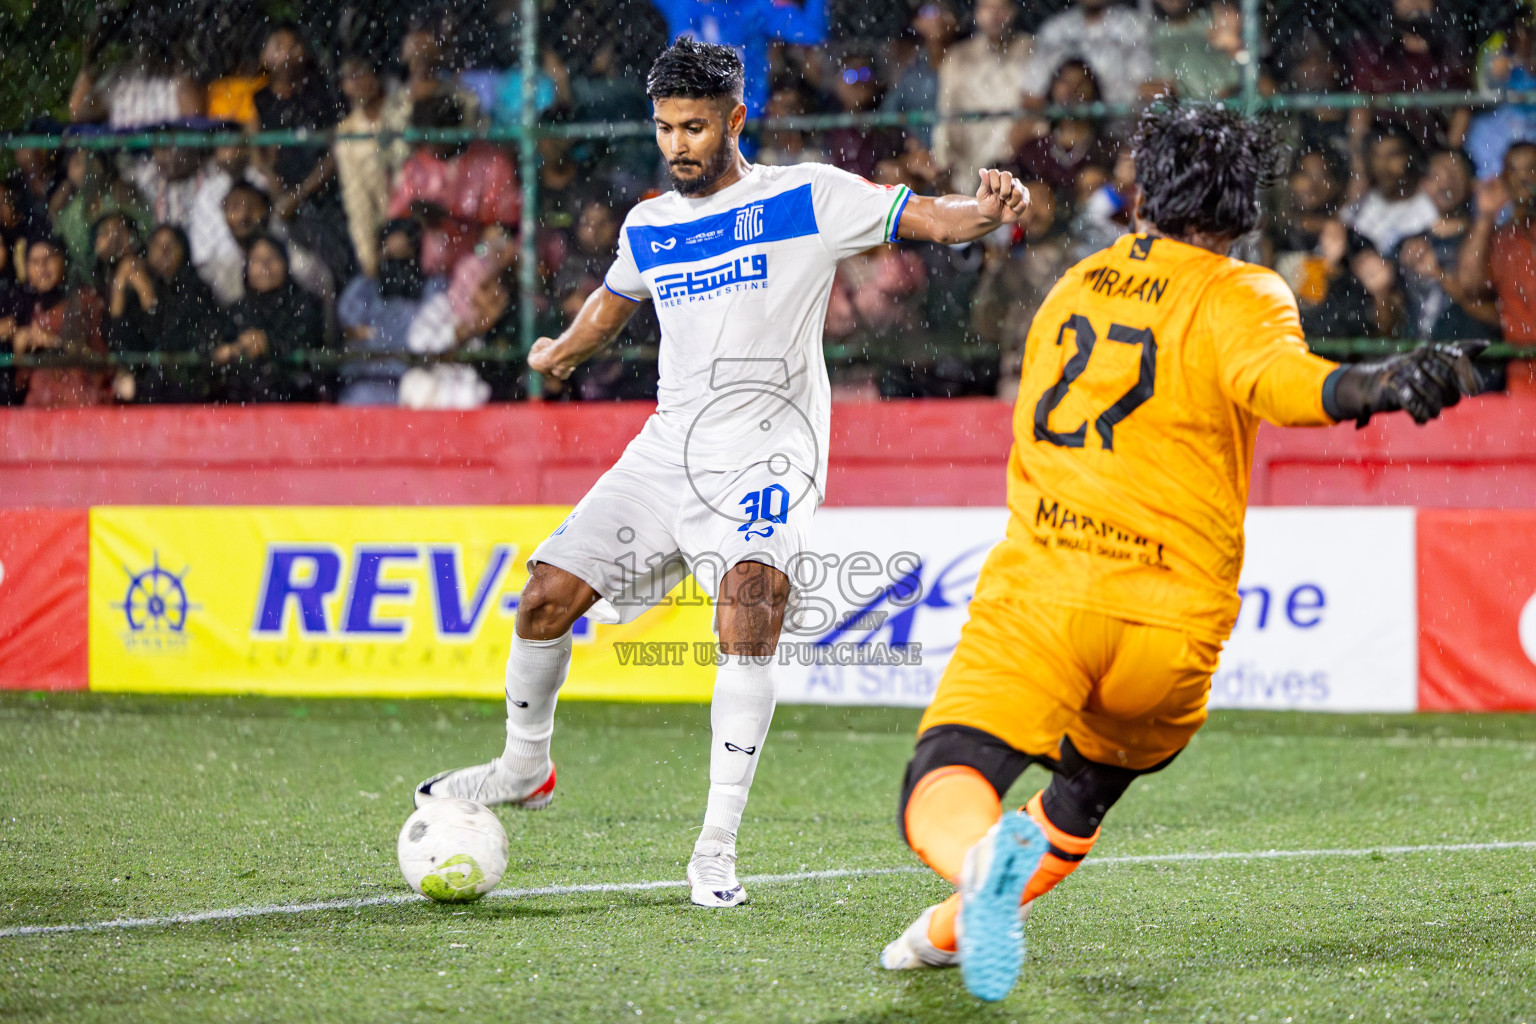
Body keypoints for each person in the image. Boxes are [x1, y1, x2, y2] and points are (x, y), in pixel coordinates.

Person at [877, 100, 1482, 1002]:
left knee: (947, 773)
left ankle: (978, 862)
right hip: (1169, 629)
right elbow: (1285, 385)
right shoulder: (1242, 292)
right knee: (1081, 794)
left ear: (1139, 193)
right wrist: (1384, 380)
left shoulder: (1074, 286)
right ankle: (951, 931)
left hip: (1048, 590)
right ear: (1243, 212)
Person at [412, 38, 1032, 910]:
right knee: (545, 595)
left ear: (736, 119)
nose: (678, 145)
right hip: (670, 451)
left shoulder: (806, 196)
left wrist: (986, 209)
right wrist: (560, 348)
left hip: (770, 453)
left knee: (748, 605)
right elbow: (615, 298)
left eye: (695, 127)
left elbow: (927, 216)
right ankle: (524, 766)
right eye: (665, 128)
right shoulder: (649, 221)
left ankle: (714, 850)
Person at [648, 0, 827, 119]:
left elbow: (811, 32)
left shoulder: (756, 8)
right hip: (682, 127)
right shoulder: (680, 4)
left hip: (741, 134)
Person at [1398, 149, 1501, 342]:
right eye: (1436, 175)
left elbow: (1502, 317)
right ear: (1423, 185)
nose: (1446, 183)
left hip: (1477, 363)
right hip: (1418, 363)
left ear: (1472, 184)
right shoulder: (1406, 245)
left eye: (1454, 174)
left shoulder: (1493, 241)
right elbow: (1392, 313)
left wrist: (1437, 273)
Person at [337, 219, 443, 405]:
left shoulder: (434, 289)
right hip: (368, 382)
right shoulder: (361, 291)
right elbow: (351, 331)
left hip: (420, 382)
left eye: (405, 253)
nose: (397, 262)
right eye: (390, 253)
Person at [213, 235, 325, 403]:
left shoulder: (305, 304)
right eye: (257, 260)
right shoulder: (237, 310)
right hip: (242, 404)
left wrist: (268, 344)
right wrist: (232, 349)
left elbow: (308, 345)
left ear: (285, 264)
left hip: (296, 400)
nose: (265, 265)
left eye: (272, 258)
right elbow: (217, 350)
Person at [935, 0, 1032, 194]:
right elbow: (945, 114)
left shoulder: (1031, 50)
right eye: (987, 8)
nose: (995, 16)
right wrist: (942, 162)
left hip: (1016, 161)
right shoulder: (957, 56)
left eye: (1001, 9)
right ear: (977, 13)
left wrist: (1011, 158)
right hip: (967, 160)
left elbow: (1035, 115)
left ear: (1013, 12)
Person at [11, 236, 111, 409]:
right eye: (34, 261)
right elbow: (19, 385)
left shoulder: (85, 299)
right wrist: (20, 353)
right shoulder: (29, 308)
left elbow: (98, 357)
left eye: (49, 257)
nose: (42, 267)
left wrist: (53, 341)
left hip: (79, 405)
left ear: (64, 261)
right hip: (39, 411)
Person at [1459, 141, 1536, 345]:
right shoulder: (1502, 240)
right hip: (1522, 371)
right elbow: (1470, 286)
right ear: (1504, 180)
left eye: (1532, 168)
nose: (1524, 178)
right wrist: (1485, 215)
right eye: (1514, 170)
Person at [1022, 0, 1151, 107]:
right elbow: (1032, 95)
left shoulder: (1134, 26)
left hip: (1121, 128)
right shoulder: (1053, 31)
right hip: (1069, 128)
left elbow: (1148, 88)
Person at [1343, 126, 1437, 256]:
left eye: (1392, 155)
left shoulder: (1429, 205)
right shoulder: (1363, 201)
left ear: (1411, 157)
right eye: (1377, 156)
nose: (1383, 165)